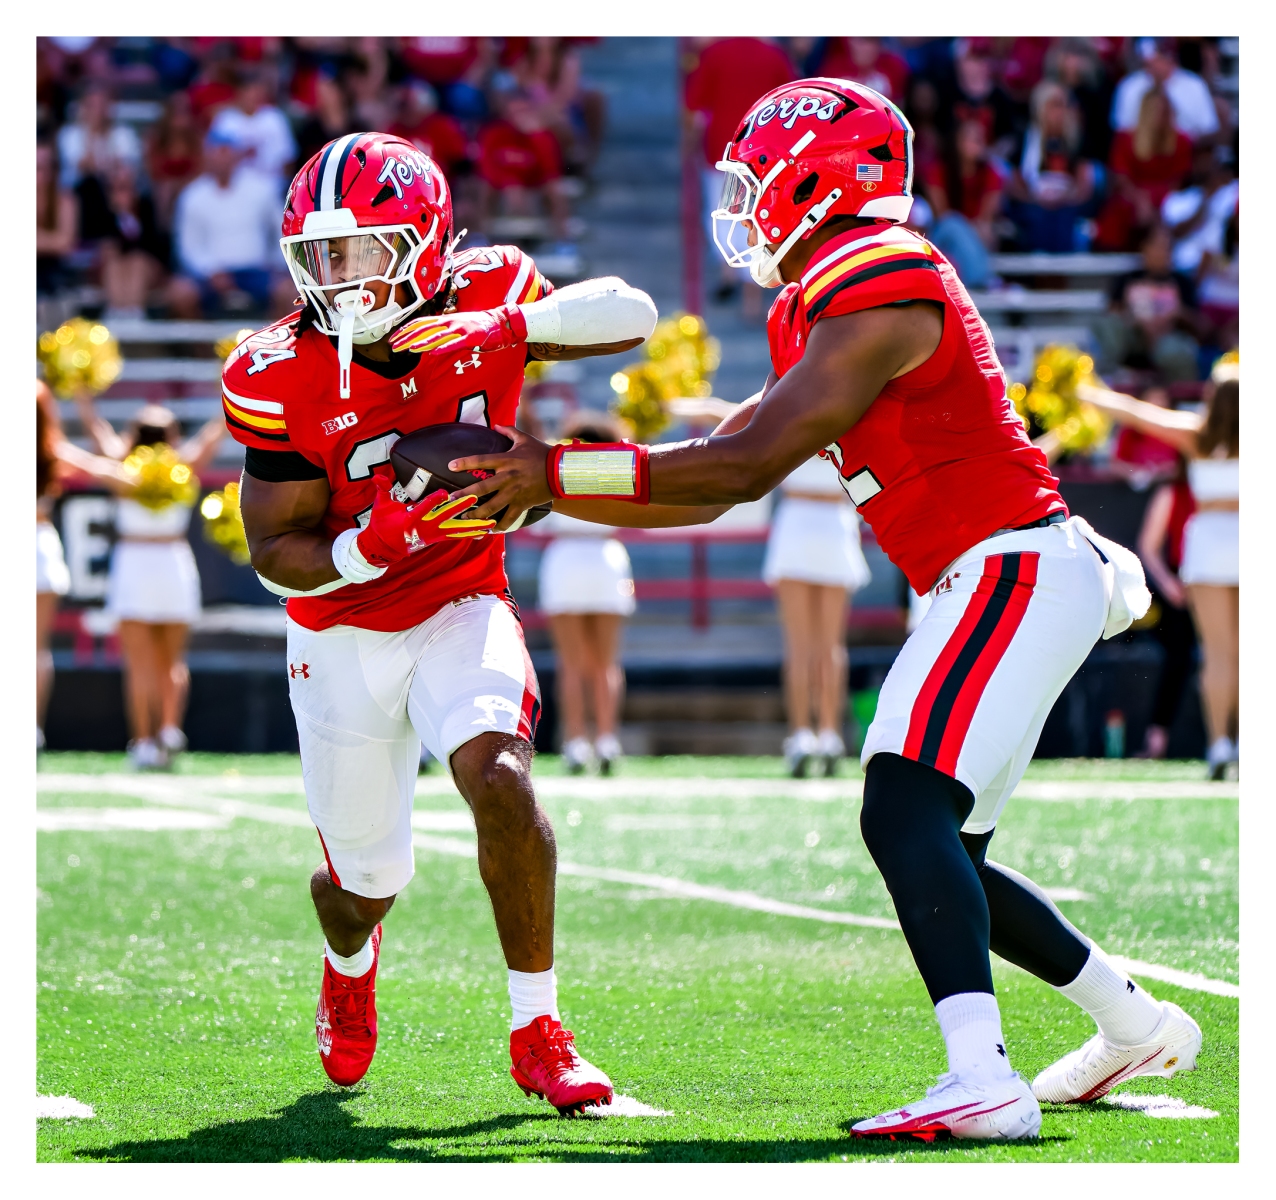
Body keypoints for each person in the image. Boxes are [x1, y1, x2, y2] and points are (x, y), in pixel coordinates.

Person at [446, 78, 1204, 1141]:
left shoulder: (879, 272)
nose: (743, 208)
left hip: (1010, 567)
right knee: (949, 847)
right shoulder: (835, 293)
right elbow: (715, 469)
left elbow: (744, 467)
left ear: (816, 182)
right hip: (1001, 572)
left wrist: (553, 471)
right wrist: (547, 487)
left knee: (900, 804)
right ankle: (1135, 1025)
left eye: (757, 183)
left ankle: (981, 1078)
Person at [227, 132, 722, 1113]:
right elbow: (275, 548)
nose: (337, 278)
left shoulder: (490, 286)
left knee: (499, 776)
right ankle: (350, 960)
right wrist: (372, 542)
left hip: (460, 599)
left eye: (360, 251)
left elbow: (632, 313)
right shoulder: (275, 369)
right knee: (361, 885)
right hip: (339, 627)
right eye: (320, 256)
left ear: (424, 243)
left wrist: (496, 331)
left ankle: (539, 1029)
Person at [1079, 366, 1239, 778]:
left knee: (1218, 654)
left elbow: (1136, 413)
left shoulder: (1197, 434)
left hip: (1209, 548)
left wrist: (1085, 392)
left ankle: (1220, 746)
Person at [74, 397, 226, 769]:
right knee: (172, 661)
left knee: (139, 665)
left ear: (135, 437)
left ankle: (143, 742)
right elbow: (212, 435)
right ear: (171, 437)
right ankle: (170, 729)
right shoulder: (183, 468)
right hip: (173, 562)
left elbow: (96, 437)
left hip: (134, 565)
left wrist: (81, 394)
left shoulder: (125, 473)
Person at [537, 411, 637, 775]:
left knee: (571, 662)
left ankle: (576, 743)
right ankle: (607, 740)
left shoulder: (555, 467)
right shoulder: (617, 470)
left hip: (565, 559)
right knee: (606, 662)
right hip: (606, 559)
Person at [764, 454, 871, 777]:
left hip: (805, 522)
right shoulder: (843, 422)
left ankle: (806, 737)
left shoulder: (787, 422)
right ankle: (825, 736)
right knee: (828, 646)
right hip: (829, 522)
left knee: (803, 646)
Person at [168, 129, 292, 319]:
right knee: (180, 294)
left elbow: (282, 230)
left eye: (225, 152)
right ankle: (202, 340)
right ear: (207, 156)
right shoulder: (192, 196)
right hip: (209, 275)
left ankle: (276, 338)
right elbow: (188, 246)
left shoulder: (262, 189)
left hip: (256, 270)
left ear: (237, 155)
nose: (221, 159)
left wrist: (277, 264)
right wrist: (210, 271)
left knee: (290, 292)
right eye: (216, 152)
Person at [1135, 466, 1198, 760]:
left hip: (1223, 584)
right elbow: (1148, 546)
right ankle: (1156, 741)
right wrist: (1170, 584)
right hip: (1180, 586)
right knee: (1178, 656)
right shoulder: (1172, 492)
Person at [1005, 80, 1097, 253]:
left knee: (1064, 216)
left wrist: (1064, 197)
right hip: (1034, 200)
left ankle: (1063, 262)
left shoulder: (1078, 140)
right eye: (1054, 105)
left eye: (1063, 105)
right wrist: (1036, 198)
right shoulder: (1025, 139)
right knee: (1035, 215)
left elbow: (1085, 184)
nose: (1060, 112)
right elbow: (1014, 183)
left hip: (1068, 200)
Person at [921, 118, 1005, 288]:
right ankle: (982, 280)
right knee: (953, 224)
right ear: (957, 142)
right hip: (942, 235)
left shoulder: (992, 173)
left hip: (978, 235)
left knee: (977, 236)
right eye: (972, 138)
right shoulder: (938, 169)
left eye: (981, 138)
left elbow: (985, 221)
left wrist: (977, 229)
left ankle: (971, 283)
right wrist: (970, 228)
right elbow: (943, 216)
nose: (978, 142)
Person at [37, 382, 72, 751]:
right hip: (40, 545)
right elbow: (111, 473)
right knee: (36, 647)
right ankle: (32, 728)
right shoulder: (53, 450)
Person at [1111, 37, 1220, 145]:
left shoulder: (1195, 85)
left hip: (1186, 149)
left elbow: (1208, 128)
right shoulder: (1129, 86)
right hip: (1140, 149)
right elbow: (1121, 129)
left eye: (1160, 58)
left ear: (1172, 59)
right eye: (1149, 61)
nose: (1154, 64)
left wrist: (1181, 142)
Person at [37, 141, 79, 298]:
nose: (42, 173)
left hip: (54, 271)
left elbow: (66, 243)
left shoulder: (65, 200)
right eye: (37, 167)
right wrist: (51, 240)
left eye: (47, 166)